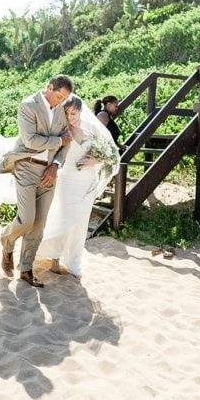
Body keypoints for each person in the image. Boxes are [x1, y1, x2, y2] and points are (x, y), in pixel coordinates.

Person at [0, 75, 74, 288]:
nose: (60, 101)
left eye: (64, 98)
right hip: (26, 167)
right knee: (27, 218)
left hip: (49, 172)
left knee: (39, 224)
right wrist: (58, 140)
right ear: (49, 87)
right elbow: (30, 140)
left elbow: (66, 145)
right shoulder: (28, 105)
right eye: (58, 96)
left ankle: (26, 269)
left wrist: (56, 165)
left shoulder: (62, 111)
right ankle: (7, 242)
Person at [35, 96, 118, 280]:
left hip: (87, 183)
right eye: (66, 113)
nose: (70, 117)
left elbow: (111, 154)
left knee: (80, 224)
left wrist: (96, 160)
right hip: (67, 180)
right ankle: (53, 256)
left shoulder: (91, 129)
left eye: (73, 113)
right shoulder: (60, 130)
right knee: (66, 218)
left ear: (80, 112)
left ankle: (73, 261)